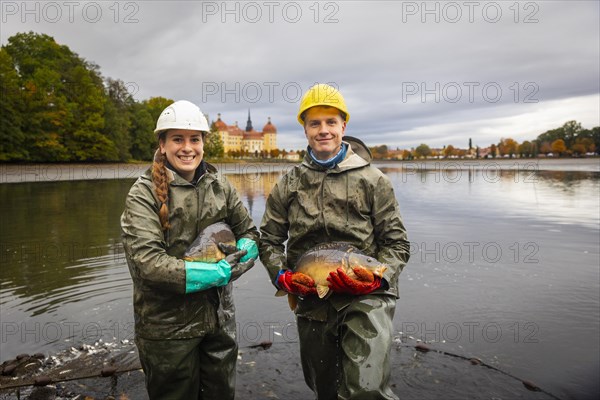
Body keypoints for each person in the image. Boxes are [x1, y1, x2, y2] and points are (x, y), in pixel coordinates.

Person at [260, 84, 410, 399]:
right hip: (312, 300)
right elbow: (270, 240)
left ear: (344, 125)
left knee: (366, 390)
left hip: (366, 299)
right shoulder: (288, 183)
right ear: (304, 129)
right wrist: (281, 275)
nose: (323, 130)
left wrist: (377, 281)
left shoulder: (374, 180)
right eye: (315, 123)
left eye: (331, 122)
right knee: (324, 388)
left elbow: (397, 245)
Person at [120, 100, 259, 399]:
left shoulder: (220, 185)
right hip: (166, 328)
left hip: (219, 320)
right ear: (162, 144)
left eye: (194, 139)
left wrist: (246, 251)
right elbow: (146, 263)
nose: (187, 148)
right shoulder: (143, 193)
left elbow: (248, 231)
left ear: (204, 144)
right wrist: (212, 273)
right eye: (177, 139)